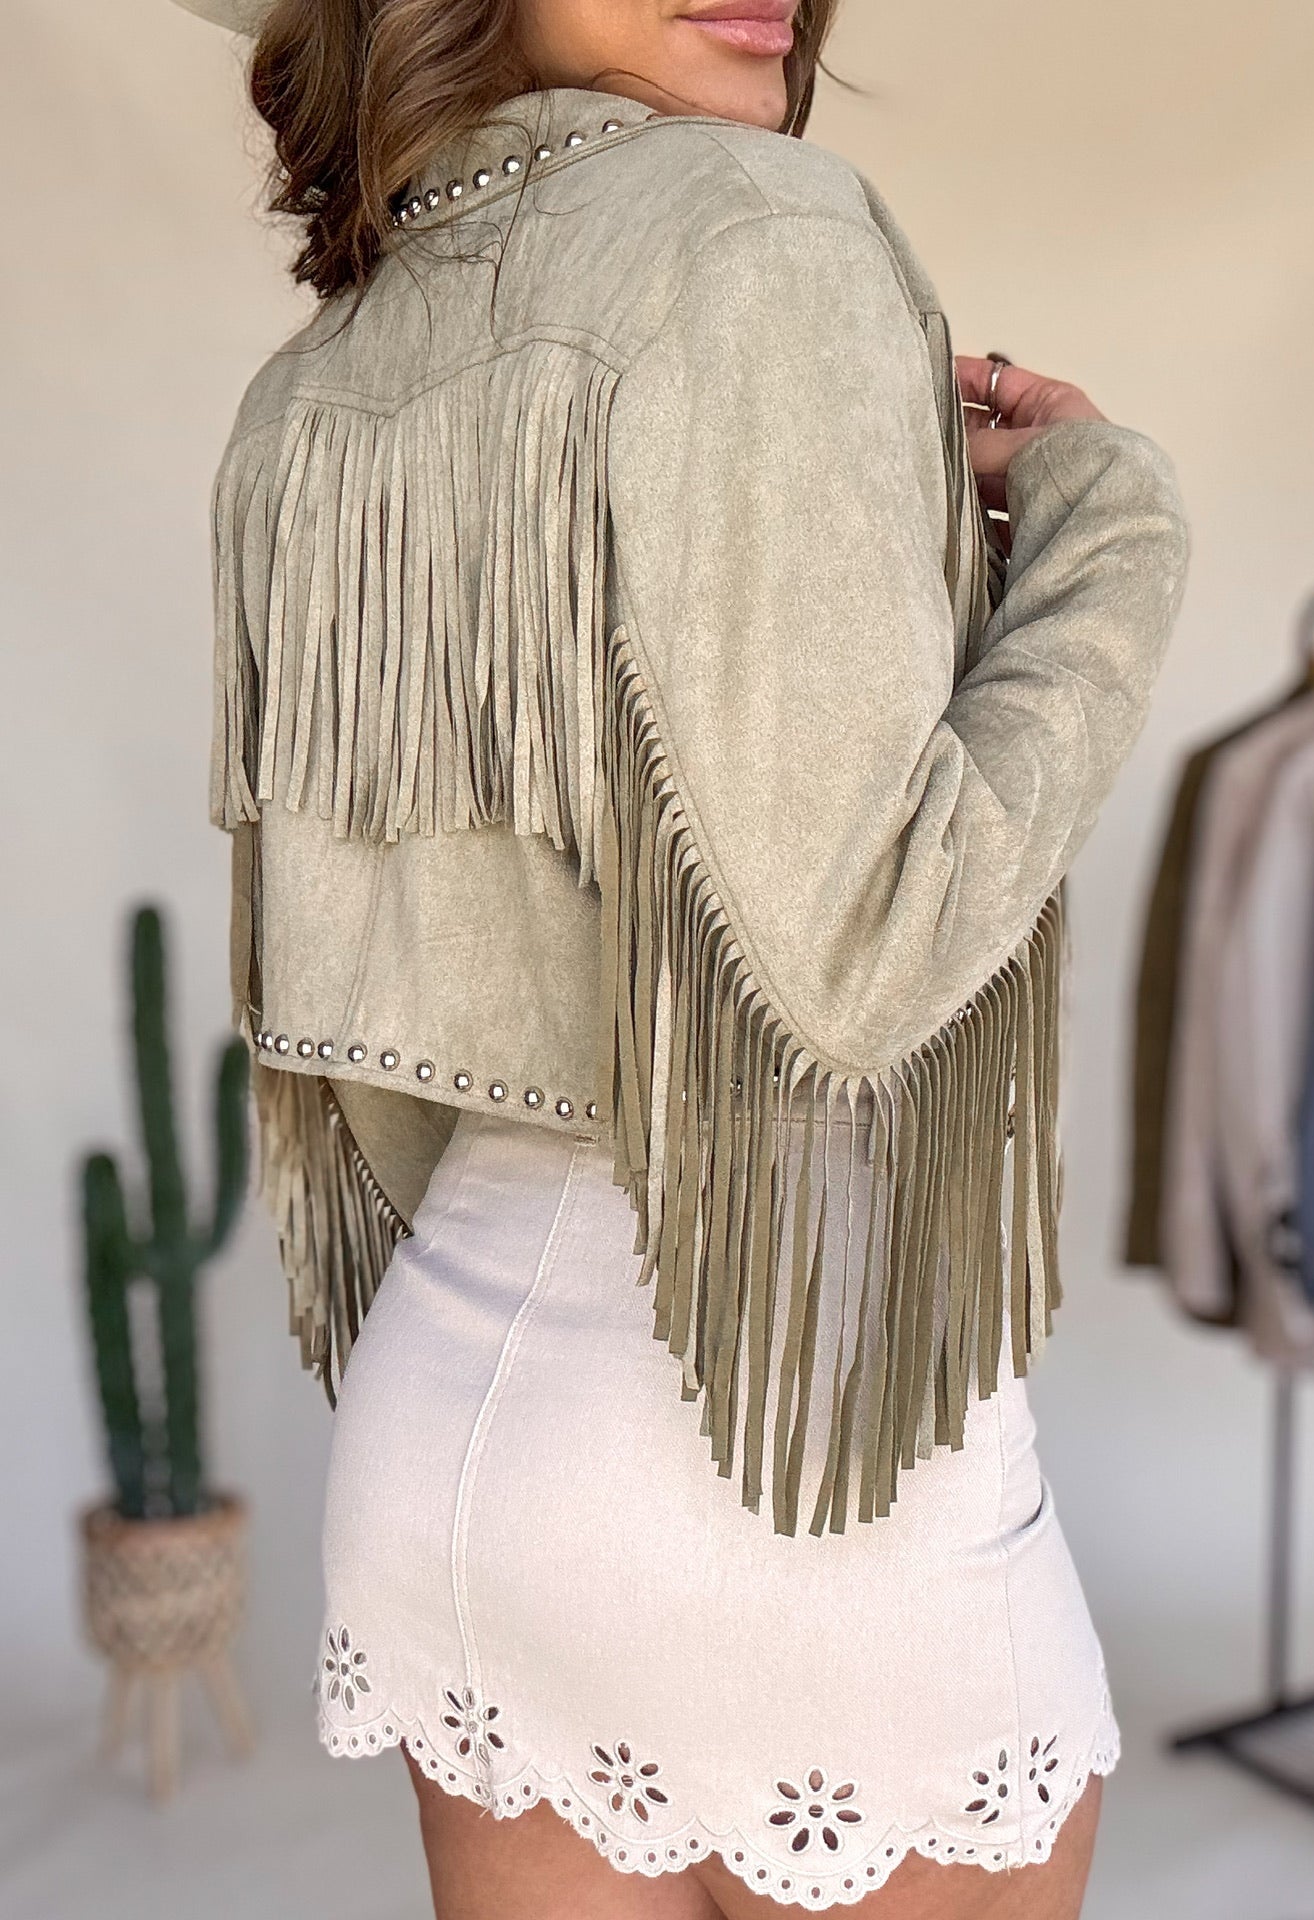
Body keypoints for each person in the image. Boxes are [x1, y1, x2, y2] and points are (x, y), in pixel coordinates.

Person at [176, 0, 1191, 1912]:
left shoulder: (331, 364)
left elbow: (366, 1041)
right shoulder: (760, 230)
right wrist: (1105, 534)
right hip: (789, 1436)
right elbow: (865, 970)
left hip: (457, 1433)